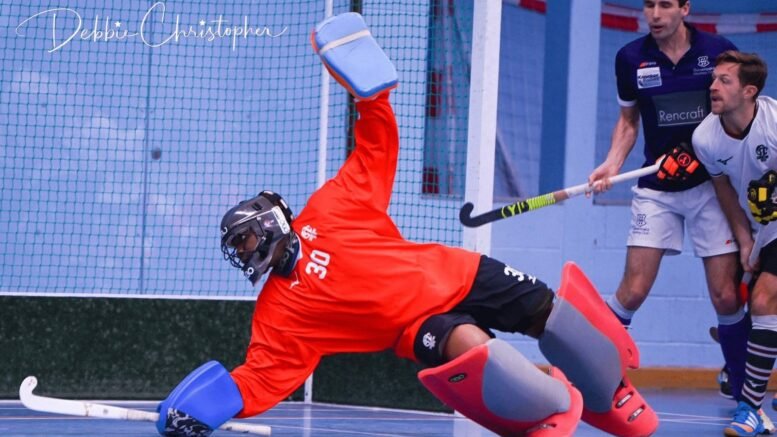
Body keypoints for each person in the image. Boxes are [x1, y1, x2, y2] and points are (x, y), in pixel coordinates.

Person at [153, 12, 660, 437]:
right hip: (416, 327)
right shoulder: (279, 315)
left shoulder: (330, 209)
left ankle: (610, 390)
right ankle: (551, 407)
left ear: (270, 223)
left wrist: (373, 98)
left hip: (458, 272)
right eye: (237, 248)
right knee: (474, 350)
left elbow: (374, 148)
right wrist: (218, 406)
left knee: (555, 318)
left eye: (245, 239)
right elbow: (261, 377)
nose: (244, 252)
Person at [587, 0, 751, 406]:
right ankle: (589, 373)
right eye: (648, 5)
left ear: (684, 8)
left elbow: (735, 111)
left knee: (726, 296)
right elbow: (629, 121)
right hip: (656, 187)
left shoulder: (718, 52)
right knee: (633, 290)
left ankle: (743, 381)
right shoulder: (630, 59)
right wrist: (611, 163)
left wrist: (713, 154)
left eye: (664, 5)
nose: (654, 14)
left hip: (712, 188)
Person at [692, 50, 777, 437]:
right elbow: (724, 189)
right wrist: (744, 240)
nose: (713, 86)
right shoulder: (705, 137)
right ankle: (755, 406)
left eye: (724, 80)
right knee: (764, 305)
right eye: (713, 79)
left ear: (749, 91)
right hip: (764, 229)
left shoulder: (774, 122)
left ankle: (749, 408)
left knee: (763, 301)